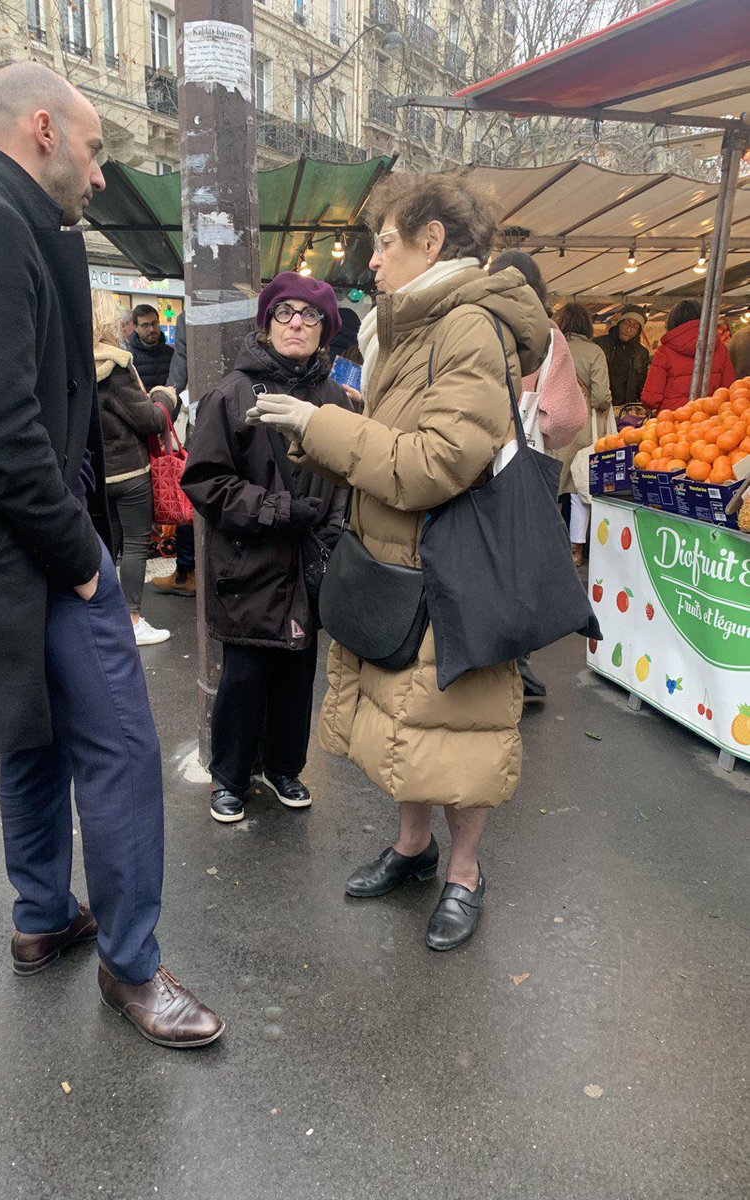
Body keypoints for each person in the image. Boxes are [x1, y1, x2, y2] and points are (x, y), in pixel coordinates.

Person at [0, 62, 223, 1048]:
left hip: (7, 545)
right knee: (122, 749)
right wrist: (83, 562)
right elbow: (4, 429)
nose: (98, 172)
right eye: (92, 149)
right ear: (41, 128)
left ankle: (43, 916)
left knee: (33, 737)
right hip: (35, 546)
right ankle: (131, 967)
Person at [249, 173, 550, 950]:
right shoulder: (413, 325)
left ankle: (465, 874)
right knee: (409, 726)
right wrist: (329, 425)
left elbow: (436, 463)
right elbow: (399, 442)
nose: (373, 261)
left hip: (454, 575)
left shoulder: (467, 327)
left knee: (462, 734)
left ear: (432, 241)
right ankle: (415, 851)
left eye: (385, 243)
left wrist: (322, 426)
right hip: (401, 567)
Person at [181, 273, 351, 824]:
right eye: (284, 313)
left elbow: (347, 478)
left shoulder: (335, 400)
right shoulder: (231, 394)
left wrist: (332, 531)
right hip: (248, 565)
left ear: (324, 329)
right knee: (245, 676)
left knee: (298, 676)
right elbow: (204, 482)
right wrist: (277, 509)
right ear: (267, 324)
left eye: (309, 314)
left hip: (309, 563)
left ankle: (284, 768)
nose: (296, 323)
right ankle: (229, 778)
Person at [487, 249, 587, 696]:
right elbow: (566, 417)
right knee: (520, 561)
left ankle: (475, 645)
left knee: (474, 551)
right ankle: (516, 663)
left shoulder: (472, 324)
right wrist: (533, 425)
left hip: (469, 459)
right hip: (520, 468)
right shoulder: (548, 337)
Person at [92, 288, 173, 646]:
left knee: (107, 545)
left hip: (97, 472)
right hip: (130, 471)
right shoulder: (116, 364)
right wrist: (164, 397)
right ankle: (133, 620)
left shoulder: (72, 362)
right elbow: (149, 421)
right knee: (137, 545)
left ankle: (105, 616)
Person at [552, 302, 613, 566]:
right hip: (582, 427)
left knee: (550, 487)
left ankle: (545, 545)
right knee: (579, 491)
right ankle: (575, 550)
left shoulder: (551, 346)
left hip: (551, 425)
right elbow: (600, 397)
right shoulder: (594, 352)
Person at [151, 309, 196, 598]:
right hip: (251, 415)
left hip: (203, 421)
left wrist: (163, 416)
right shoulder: (255, 306)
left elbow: (177, 378)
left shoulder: (187, 316)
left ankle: (186, 572)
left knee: (191, 495)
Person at [641, 299, 735, 411]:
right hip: (711, 415)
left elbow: (650, 399)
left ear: (673, 321)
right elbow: (729, 390)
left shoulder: (664, 352)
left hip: (674, 417)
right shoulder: (720, 349)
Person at [596, 306, 650, 410]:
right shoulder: (599, 344)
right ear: (619, 323)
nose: (629, 329)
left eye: (635, 326)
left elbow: (641, 384)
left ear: (639, 331)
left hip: (626, 408)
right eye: (626, 323)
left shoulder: (641, 353)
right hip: (601, 405)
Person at [129, 304, 173, 390]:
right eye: (145, 325)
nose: (152, 329)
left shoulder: (171, 353)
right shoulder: (129, 357)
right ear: (135, 327)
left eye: (154, 323)